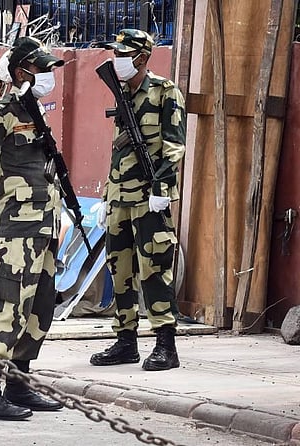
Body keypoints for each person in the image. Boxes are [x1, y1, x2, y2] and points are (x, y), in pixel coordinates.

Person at [0, 36, 65, 420]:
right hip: (17, 228)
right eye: (41, 69)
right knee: (8, 307)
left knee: (38, 308)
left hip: (44, 228)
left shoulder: (36, 114)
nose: (48, 76)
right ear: (22, 72)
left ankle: (19, 385)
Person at [90, 29, 187, 371]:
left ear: (142, 57)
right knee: (120, 272)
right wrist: (107, 195)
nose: (116, 60)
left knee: (155, 271)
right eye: (115, 54)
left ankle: (165, 345)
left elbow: (174, 147)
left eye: (123, 54)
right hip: (120, 198)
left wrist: (162, 190)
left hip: (149, 198)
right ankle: (125, 341)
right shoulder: (123, 94)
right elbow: (118, 152)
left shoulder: (164, 91)